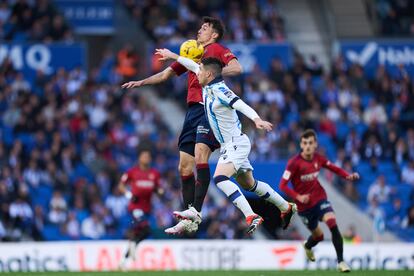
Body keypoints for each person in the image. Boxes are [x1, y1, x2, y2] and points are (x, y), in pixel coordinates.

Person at [122, 16, 243, 233]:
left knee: (200, 155)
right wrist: (141, 82)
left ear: (214, 34)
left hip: (209, 107)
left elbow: (236, 68)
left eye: (204, 28)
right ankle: (189, 217)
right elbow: (166, 74)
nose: (199, 31)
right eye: (200, 27)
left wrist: (212, 72)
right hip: (192, 112)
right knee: (184, 166)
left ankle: (196, 210)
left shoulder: (215, 49)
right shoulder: (191, 53)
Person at [155, 50, 296, 234]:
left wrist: (256, 119)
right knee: (249, 184)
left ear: (209, 74)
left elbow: (239, 103)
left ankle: (250, 215)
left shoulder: (221, 91)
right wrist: (173, 56)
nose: (197, 74)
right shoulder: (207, 81)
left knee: (220, 178)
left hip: (235, 144)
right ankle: (285, 206)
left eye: (201, 71)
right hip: (232, 144)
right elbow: (191, 65)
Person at [278, 129, 360, 272]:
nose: (308, 146)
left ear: (315, 144)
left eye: (310, 143)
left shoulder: (318, 159)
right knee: (319, 236)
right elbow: (282, 185)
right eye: (305, 143)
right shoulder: (294, 163)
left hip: (319, 198)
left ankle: (341, 262)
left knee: (332, 224)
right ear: (301, 145)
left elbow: (333, 168)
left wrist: (347, 176)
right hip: (304, 208)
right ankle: (308, 246)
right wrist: (298, 197)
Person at [118, 149, 163, 270]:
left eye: (148, 157)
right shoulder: (132, 172)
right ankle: (132, 244)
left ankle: (124, 259)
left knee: (144, 233)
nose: (146, 159)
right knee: (145, 226)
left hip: (147, 208)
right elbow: (121, 185)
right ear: (139, 158)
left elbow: (158, 188)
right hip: (135, 207)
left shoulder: (154, 174)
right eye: (144, 156)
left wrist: (160, 191)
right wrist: (129, 195)